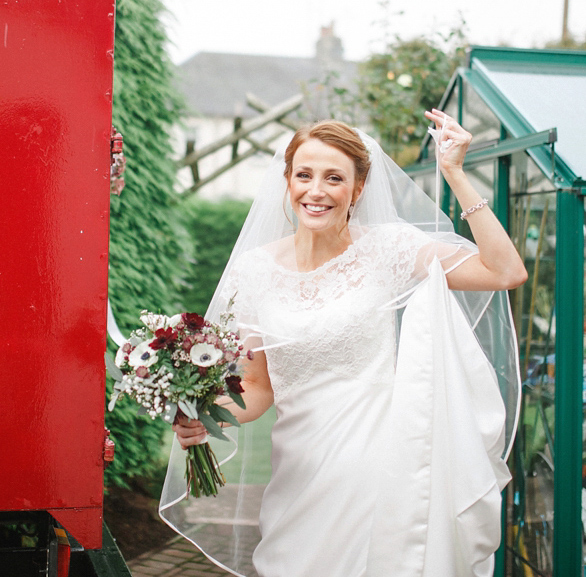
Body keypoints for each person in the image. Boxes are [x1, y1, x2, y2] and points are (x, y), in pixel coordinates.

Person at [162, 111, 526, 577]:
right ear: (287, 182)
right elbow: (256, 386)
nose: (317, 191)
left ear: (357, 190)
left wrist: (454, 173)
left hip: (385, 470)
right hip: (300, 473)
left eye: (334, 178)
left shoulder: (388, 249)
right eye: (304, 175)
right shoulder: (253, 271)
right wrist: (206, 416)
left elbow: (505, 272)